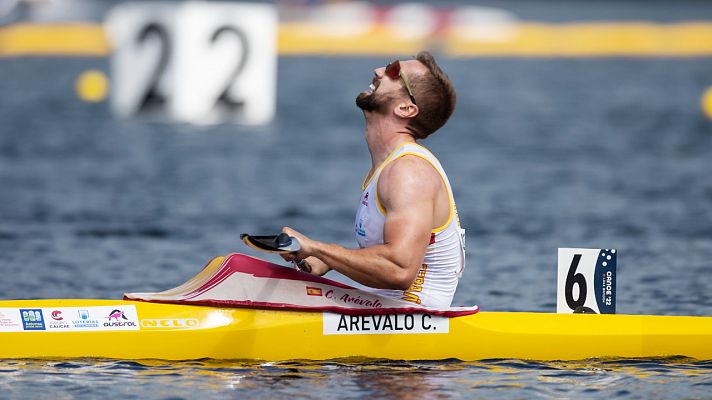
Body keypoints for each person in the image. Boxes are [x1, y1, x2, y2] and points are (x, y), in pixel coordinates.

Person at [282, 51, 465, 308]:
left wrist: (317, 249)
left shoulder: (408, 172)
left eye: (393, 72)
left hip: (412, 323)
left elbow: (400, 269)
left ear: (406, 108)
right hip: (385, 311)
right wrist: (329, 262)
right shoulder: (391, 167)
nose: (379, 70)